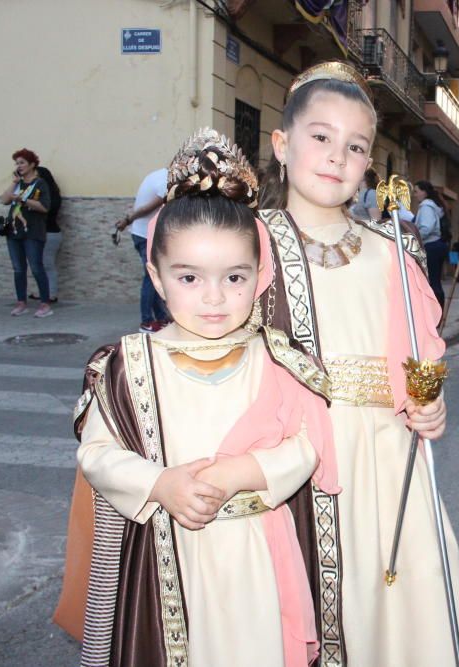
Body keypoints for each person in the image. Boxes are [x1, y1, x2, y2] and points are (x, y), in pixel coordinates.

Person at [68, 130, 338, 666]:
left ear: (259, 276)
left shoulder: (279, 359)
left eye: (234, 277)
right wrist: (160, 483)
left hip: (256, 561)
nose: (214, 298)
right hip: (166, 559)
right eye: (189, 276)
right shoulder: (125, 366)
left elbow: (309, 446)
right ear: (157, 276)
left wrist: (244, 471)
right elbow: (96, 455)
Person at [259, 61, 459, 665]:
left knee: (395, 612)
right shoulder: (247, 242)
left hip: (382, 460)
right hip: (293, 458)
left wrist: (428, 407)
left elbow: (413, 360)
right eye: (320, 137)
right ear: (282, 144)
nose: (335, 157)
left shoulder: (391, 252)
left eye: (355, 147)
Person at [0, 148, 54, 318]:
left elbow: (44, 207)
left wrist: (23, 199)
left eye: (22, 163)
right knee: (18, 269)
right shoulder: (19, 184)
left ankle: (45, 303)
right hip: (14, 232)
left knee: (36, 267)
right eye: (17, 163)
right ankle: (21, 302)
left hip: (33, 232)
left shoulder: (40, 184)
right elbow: (4, 200)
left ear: (32, 164)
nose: (19, 166)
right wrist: (15, 182)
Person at [117, 168, 171, 332]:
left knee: (155, 277)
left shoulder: (160, 175)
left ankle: (161, 319)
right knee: (152, 276)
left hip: (146, 234)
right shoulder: (165, 180)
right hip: (146, 235)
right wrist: (127, 220)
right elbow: (149, 207)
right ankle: (146, 322)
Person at [414, 180, 450, 309]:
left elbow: (426, 228)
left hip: (431, 246)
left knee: (431, 283)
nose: (415, 195)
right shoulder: (433, 205)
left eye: (416, 191)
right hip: (437, 246)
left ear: (424, 192)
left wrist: (414, 237)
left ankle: (434, 314)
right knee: (435, 281)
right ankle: (437, 313)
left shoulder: (426, 206)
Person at [32, 165, 63, 303]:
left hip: (50, 233)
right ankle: (44, 291)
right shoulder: (45, 194)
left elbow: (46, 212)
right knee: (41, 264)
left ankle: (51, 294)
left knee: (47, 264)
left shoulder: (49, 197)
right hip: (43, 232)